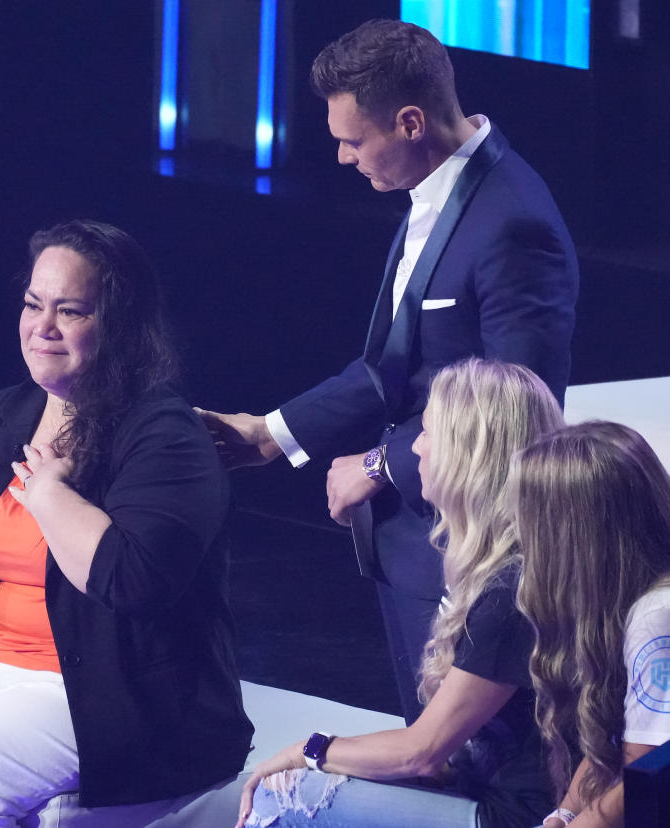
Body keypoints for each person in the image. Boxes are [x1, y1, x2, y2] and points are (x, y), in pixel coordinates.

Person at [196, 19, 578, 723]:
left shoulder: (513, 223)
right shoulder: (436, 194)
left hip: (465, 548)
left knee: (460, 764)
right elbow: (391, 367)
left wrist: (377, 465)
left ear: (409, 122)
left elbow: (519, 416)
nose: (341, 157)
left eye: (352, 139)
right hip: (412, 536)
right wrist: (269, 434)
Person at [0, 219, 252, 825]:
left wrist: (51, 493)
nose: (42, 327)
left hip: (98, 692)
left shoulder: (165, 434)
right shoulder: (5, 415)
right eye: (33, 304)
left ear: (118, 325)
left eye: (71, 311)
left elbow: (130, 578)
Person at [236, 358, 563, 828]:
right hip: (471, 779)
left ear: (468, 453)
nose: (416, 450)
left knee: (282, 800)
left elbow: (423, 752)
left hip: (510, 814)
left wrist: (306, 750)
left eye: (426, 434)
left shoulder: (509, 588)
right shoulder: (489, 554)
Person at [511, 422, 670, 828]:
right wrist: (564, 812)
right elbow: (617, 741)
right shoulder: (636, 596)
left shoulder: (656, 616)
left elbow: (644, 780)